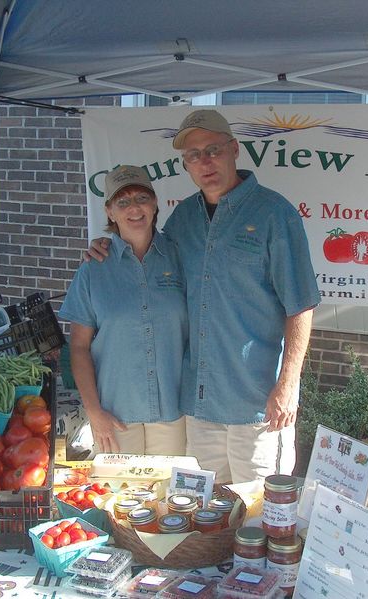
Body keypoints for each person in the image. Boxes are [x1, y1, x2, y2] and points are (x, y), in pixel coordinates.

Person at [88, 110, 320, 483]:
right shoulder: (183, 221)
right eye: (194, 155)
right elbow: (143, 251)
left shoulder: (275, 215)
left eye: (213, 150)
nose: (205, 162)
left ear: (234, 150)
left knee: (263, 513)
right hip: (199, 407)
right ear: (186, 165)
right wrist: (107, 244)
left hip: (257, 405)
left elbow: (301, 305)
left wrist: (288, 384)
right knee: (207, 514)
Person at [60, 165, 188, 456]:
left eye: (142, 198)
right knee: (119, 497)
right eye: (123, 201)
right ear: (110, 212)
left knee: (169, 499)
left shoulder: (181, 256)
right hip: (115, 417)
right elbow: (79, 347)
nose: (134, 208)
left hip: (175, 413)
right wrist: (94, 412)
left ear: (155, 204)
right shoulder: (94, 268)